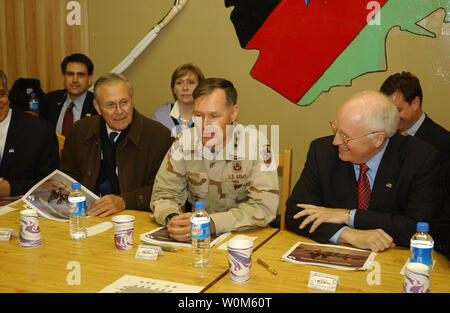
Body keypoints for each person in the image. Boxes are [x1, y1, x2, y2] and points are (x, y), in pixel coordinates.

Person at [285, 90, 444, 252]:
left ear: (378, 139)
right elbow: (295, 213)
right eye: (335, 129)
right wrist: (347, 234)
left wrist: (349, 216)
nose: (336, 141)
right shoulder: (322, 152)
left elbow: (419, 229)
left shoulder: (420, 159)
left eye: (345, 135)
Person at [150, 78, 279, 242]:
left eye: (214, 116)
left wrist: (210, 223)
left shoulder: (258, 145)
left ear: (233, 113)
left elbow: (264, 207)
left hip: (245, 239)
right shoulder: (184, 141)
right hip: (197, 240)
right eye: (198, 115)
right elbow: (163, 194)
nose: (204, 125)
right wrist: (173, 218)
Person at [60, 73, 172, 217]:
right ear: (97, 107)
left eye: (124, 102)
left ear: (132, 100)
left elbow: (164, 190)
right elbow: (68, 176)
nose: (119, 111)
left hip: (134, 217)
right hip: (85, 215)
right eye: (110, 105)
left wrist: (125, 201)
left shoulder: (159, 136)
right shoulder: (80, 130)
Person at [0, 70, 59, 200]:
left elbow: (51, 182)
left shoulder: (39, 130)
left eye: (1, 94)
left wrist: (11, 188)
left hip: (23, 208)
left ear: (8, 95)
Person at [40, 53, 97, 136]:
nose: (75, 80)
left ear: (89, 79)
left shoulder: (97, 105)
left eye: (80, 75)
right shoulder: (49, 100)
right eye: (70, 74)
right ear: (63, 77)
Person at [151, 63, 204, 137]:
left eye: (191, 82)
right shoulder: (159, 117)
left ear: (200, 87)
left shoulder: (209, 117)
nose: (185, 88)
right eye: (179, 83)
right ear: (174, 89)